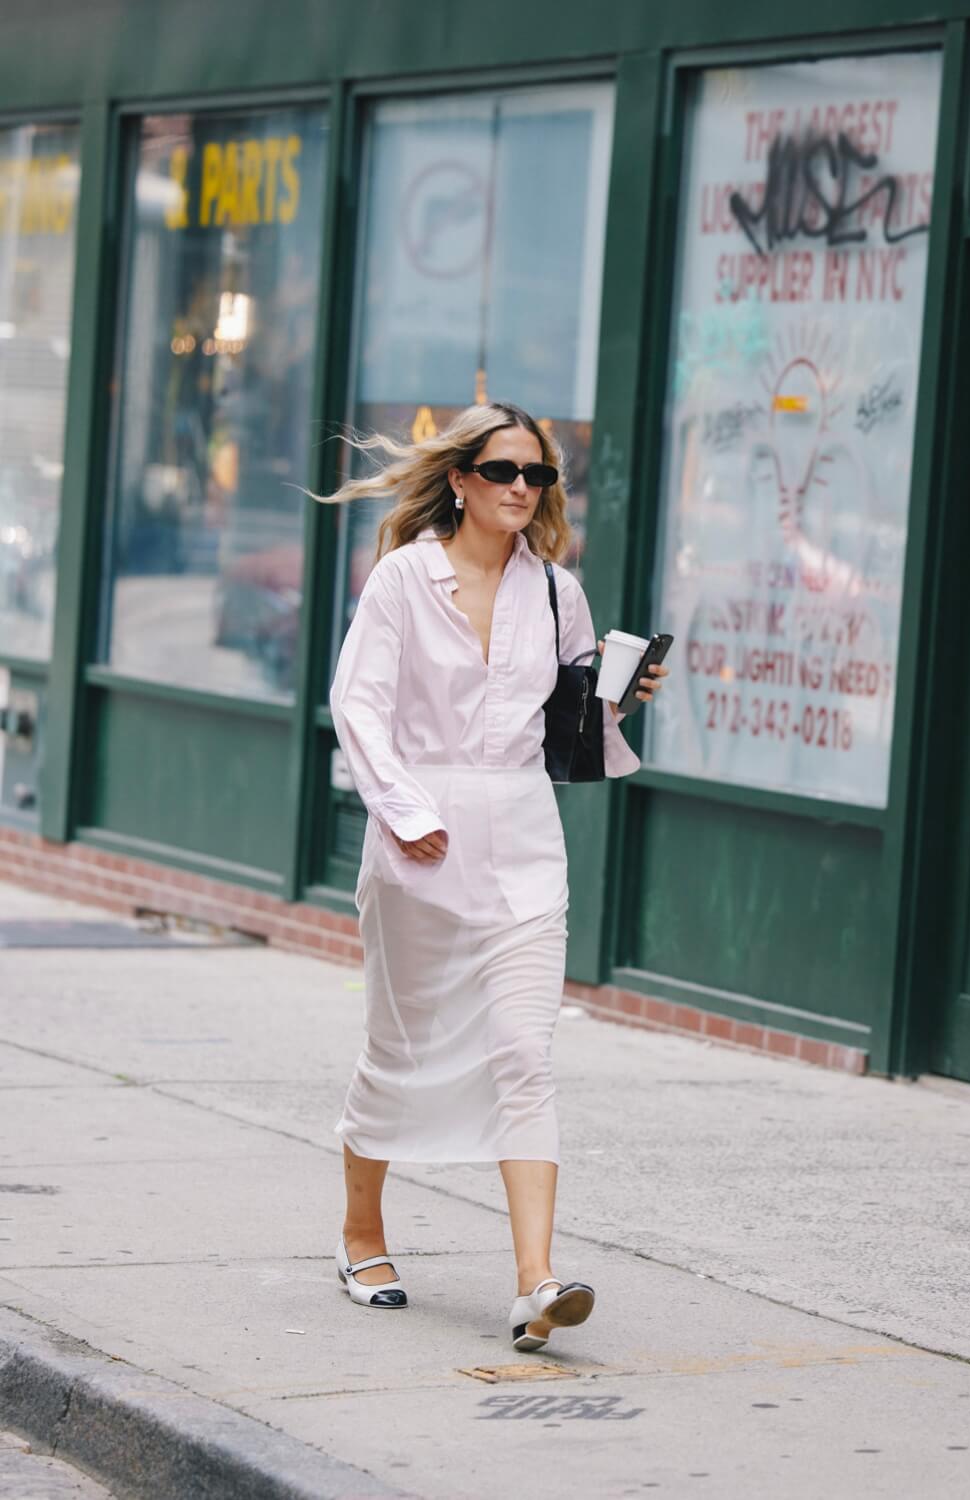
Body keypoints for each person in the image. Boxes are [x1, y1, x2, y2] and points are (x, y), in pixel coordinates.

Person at [322, 402, 668, 1352]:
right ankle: (361, 1235)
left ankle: (535, 1283)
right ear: (463, 479)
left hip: (521, 841)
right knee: (401, 1046)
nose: (524, 487)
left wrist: (617, 695)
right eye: (506, 470)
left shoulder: (559, 594)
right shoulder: (402, 579)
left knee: (524, 1052)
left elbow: (575, 737)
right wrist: (406, 812)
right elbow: (358, 706)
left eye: (539, 475)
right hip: (419, 840)